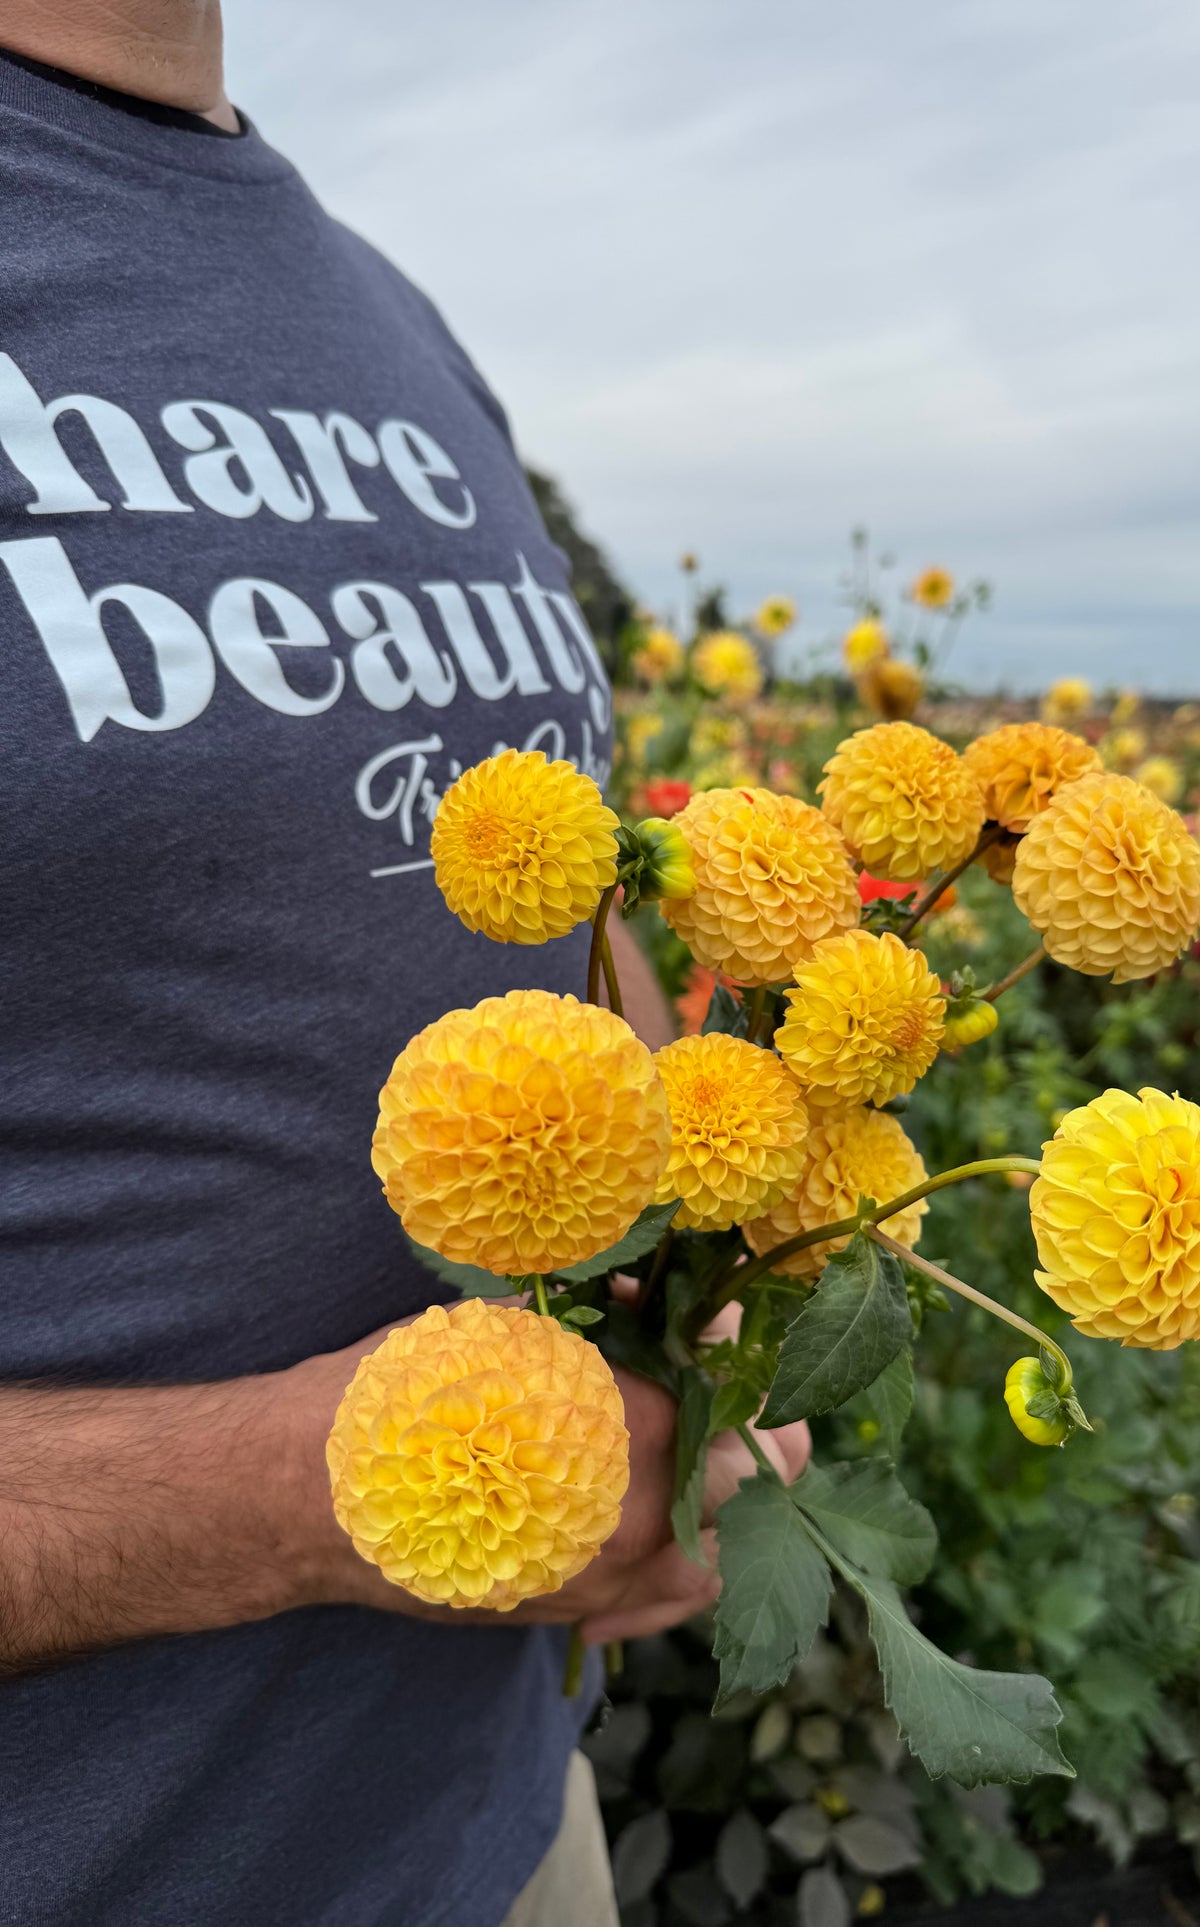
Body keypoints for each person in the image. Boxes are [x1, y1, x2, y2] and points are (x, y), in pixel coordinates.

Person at [0, 6, 807, 1921]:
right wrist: (287, 1493)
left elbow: (565, 899)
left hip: (497, 1835)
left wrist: (695, 1236)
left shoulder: (375, 309)